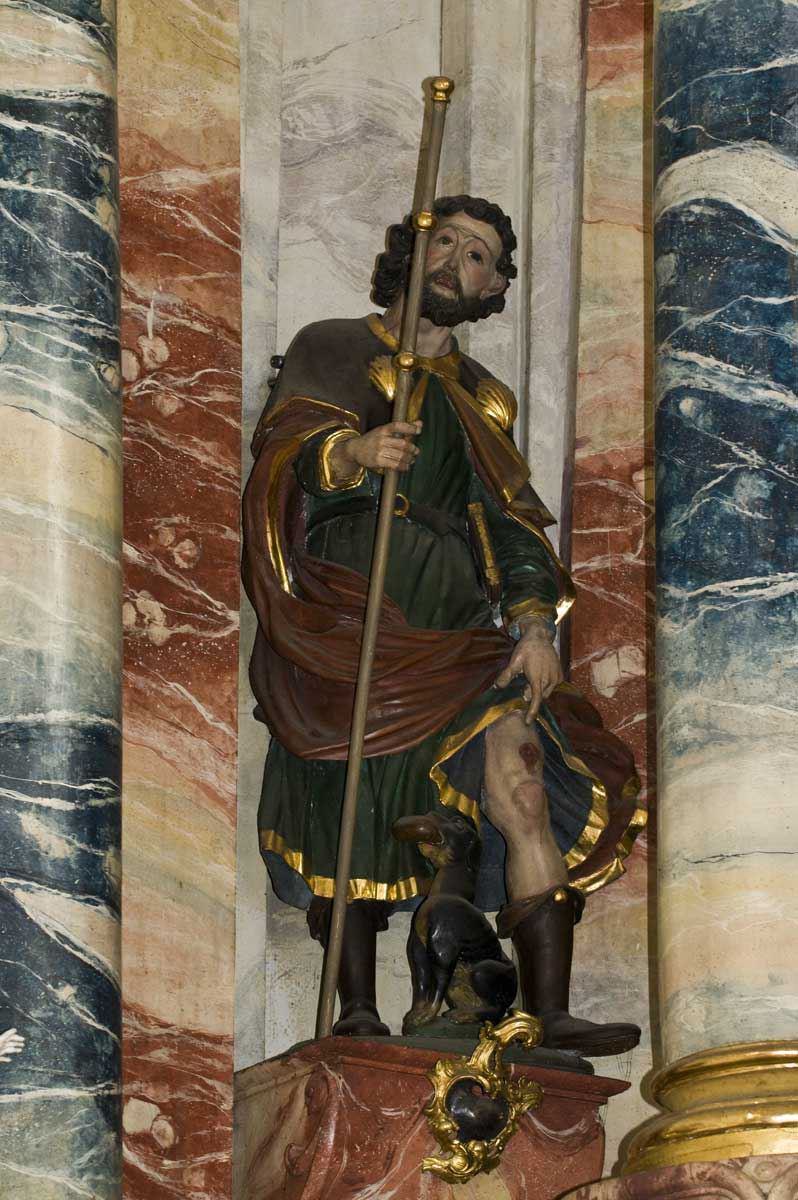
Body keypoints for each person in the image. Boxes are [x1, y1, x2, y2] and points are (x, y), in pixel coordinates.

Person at [242, 196, 645, 1055]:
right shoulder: (333, 346)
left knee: (522, 780)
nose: (455, 259)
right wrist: (349, 453)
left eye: (477, 256)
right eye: (446, 241)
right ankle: (356, 1010)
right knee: (347, 799)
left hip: (460, 626)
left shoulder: (481, 397)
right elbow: (281, 454)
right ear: (411, 250)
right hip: (350, 608)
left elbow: (509, 524)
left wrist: (533, 626)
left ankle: (547, 1011)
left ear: (492, 289)